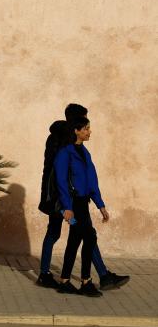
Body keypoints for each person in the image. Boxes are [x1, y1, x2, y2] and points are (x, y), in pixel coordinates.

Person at [37, 104, 129, 290]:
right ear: (76, 122)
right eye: (84, 121)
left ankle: (46, 274)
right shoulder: (65, 142)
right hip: (63, 199)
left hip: (57, 197)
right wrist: (65, 203)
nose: (87, 127)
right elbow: (59, 173)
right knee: (86, 234)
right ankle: (96, 277)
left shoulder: (59, 139)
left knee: (62, 233)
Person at [54, 115, 110, 297]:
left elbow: (91, 181)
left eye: (88, 128)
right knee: (90, 237)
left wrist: (100, 205)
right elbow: (61, 181)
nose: (89, 131)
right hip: (73, 204)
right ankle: (86, 281)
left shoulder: (85, 153)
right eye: (85, 128)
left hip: (83, 203)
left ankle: (64, 280)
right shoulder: (65, 153)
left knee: (75, 241)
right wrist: (67, 207)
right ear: (76, 131)